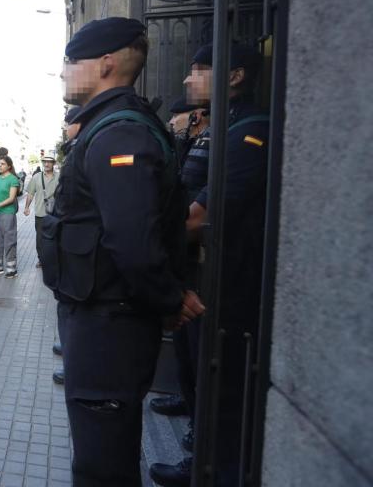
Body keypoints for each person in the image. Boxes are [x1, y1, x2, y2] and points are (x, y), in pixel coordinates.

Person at [51, 17, 204, 486]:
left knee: (102, 465)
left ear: (105, 63)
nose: (62, 73)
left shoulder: (119, 133)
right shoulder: (110, 125)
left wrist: (167, 299)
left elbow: (133, 239)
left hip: (109, 326)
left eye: (70, 62)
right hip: (104, 320)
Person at [149, 44, 265, 487]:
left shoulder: (249, 131)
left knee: (222, 373)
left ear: (234, 76)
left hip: (231, 276)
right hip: (205, 268)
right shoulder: (221, 129)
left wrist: (145, 239)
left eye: (199, 71)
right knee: (195, 359)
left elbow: (202, 214)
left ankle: (210, 466)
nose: (186, 79)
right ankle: (201, 434)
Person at [0, 155, 21, 278]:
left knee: (9, 241)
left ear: (9, 166)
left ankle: (11, 269)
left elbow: (11, 198)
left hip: (8, 213)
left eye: (3, 164)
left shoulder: (13, 179)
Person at [23, 155, 59, 269]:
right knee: (40, 239)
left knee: (55, 237)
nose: (47, 164)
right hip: (40, 213)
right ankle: (41, 259)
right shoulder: (36, 177)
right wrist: (26, 207)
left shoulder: (60, 177)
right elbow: (30, 193)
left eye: (49, 162)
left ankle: (54, 259)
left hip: (56, 214)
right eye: (45, 162)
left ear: (53, 163)